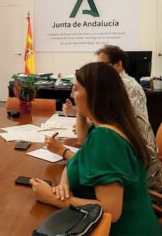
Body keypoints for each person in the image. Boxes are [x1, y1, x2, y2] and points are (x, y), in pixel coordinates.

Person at [30, 62, 161, 235]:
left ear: (95, 95)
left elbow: (111, 211)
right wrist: (64, 183)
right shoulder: (109, 125)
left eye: (76, 89)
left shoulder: (106, 140)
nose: (71, 94)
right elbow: (77, 158)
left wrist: (51, 197)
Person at [60, 45, 162, 191]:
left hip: (143, 174)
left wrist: (62, 152)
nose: (100, 71)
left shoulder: (124, 86)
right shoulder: (108, 117)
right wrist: (80, 108)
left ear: (119, 64)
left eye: (103, 66)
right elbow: (83, 142)